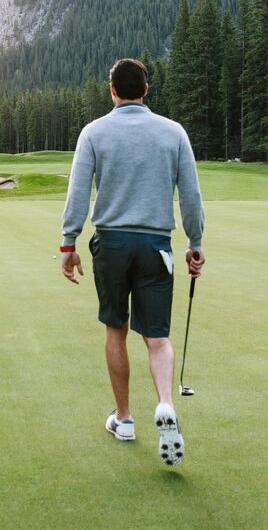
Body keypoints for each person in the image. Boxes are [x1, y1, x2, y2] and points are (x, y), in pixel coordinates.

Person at [59, 58, 205, 467]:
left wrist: (68, 243)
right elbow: (190, 195)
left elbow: (78, 193)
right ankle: (165, 403)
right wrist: (195, 242)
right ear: (146, 89)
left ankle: (123, 419)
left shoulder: (93, 132)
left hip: (111, 244)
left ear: (112, 90)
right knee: (157, 337)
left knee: (116, 330)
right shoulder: (173, 132)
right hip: (156, 244)